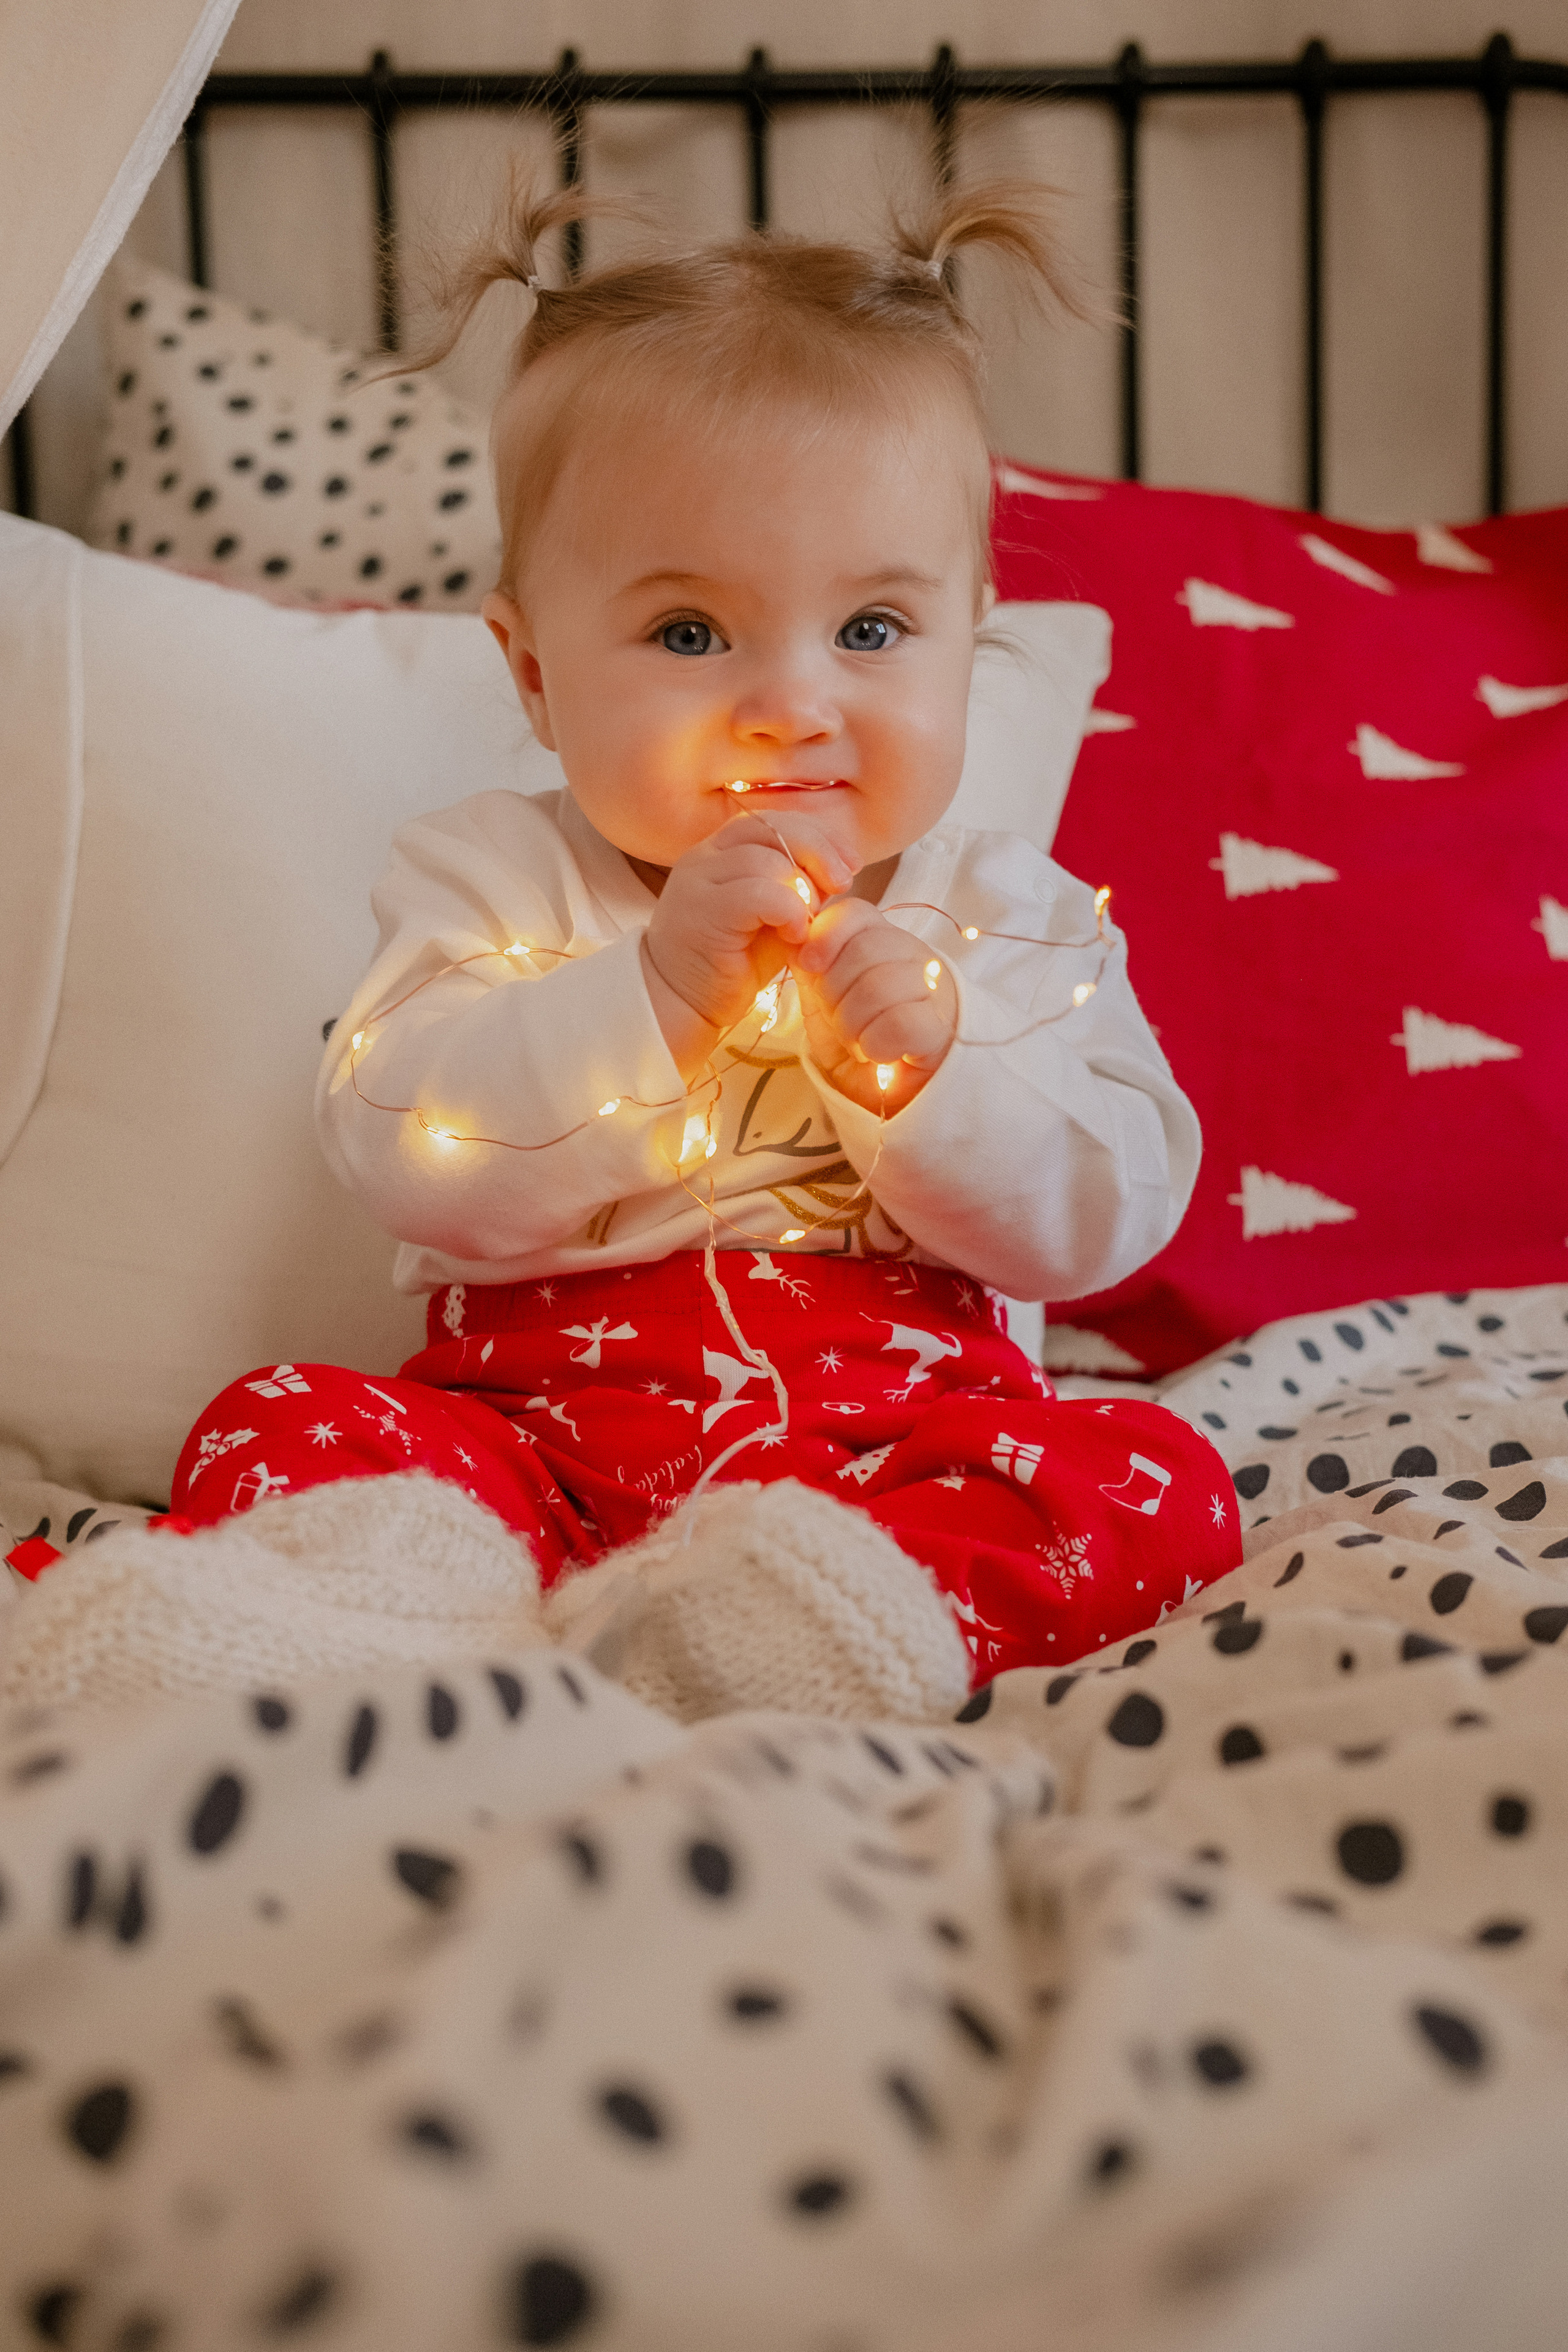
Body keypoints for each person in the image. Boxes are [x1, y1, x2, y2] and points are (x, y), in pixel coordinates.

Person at [165, 179, 1240, 1686]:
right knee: (280, 1423)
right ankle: (436, 1626)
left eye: (870, 630)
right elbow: (397, 1147)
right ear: (533, 673)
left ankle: (798, 1644)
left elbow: (1108, 1215)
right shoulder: (488, 874)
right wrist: (652, 995)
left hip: (886, 1472)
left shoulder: (1003, 914)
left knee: (1152, 1482)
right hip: (534, 1456)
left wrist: (929, 1083)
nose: (791, 703)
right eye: (688, 634)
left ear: (969, 635)